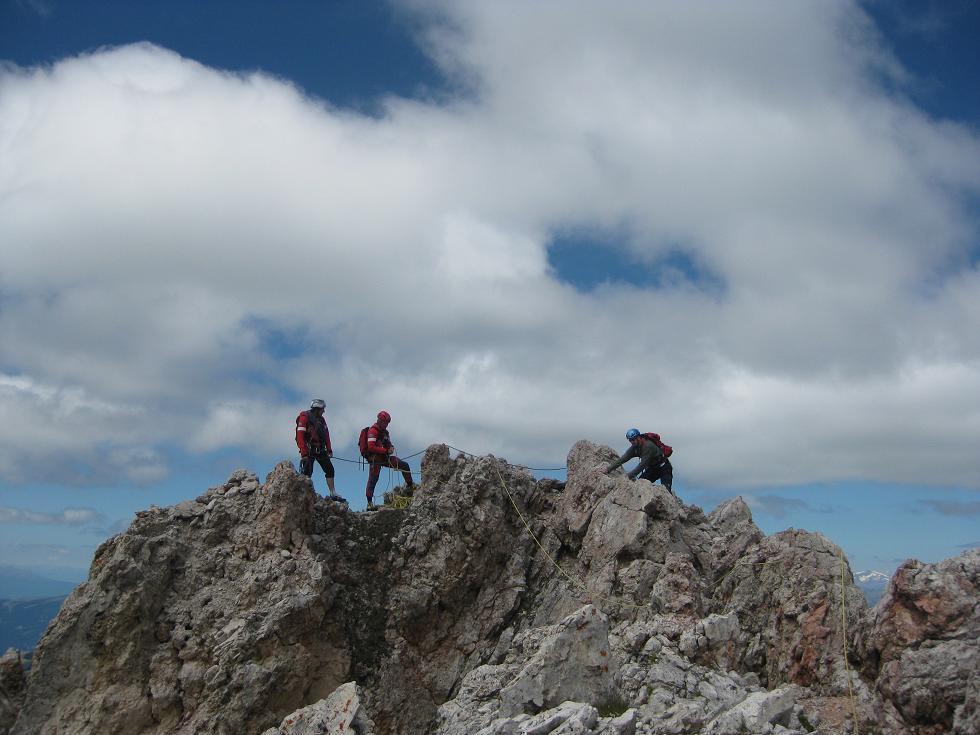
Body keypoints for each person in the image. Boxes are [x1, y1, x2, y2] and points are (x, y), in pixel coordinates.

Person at [296, 399, 347, 503]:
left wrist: (329, 449)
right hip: (309, 450)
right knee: (307, 473)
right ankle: (303, 494)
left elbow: (326, 435)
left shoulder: (322, 420)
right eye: (323, 409)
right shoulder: (304, 417)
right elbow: (300, 436)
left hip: (320, 449)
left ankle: (333, 493)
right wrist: (303, 452)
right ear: (317, 409)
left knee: (330, 470)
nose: (324, 411)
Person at [364, 410, 415, 510]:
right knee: (373, 479)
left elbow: (388, 443)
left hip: (384, 457)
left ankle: (410, 486)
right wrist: (386, 450)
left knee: (403, 465)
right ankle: (369, 503)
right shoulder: (373, 431)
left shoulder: (384, 432)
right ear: (379, 420)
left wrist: (390, 448)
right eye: (385, 422)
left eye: (387, 423)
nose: (386, 424)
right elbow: (371, 447)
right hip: (375, 459)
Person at [605, 428, 674, 494]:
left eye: (633, 439)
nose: (632, 442)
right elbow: (622, 459)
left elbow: (641, 466)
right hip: (652, 469)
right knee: (639, 486)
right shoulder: (634, 448)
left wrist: (627, 477)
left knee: (666, 492)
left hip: (664, 468)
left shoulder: (648, 446)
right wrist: (608, 469)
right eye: (630, 440)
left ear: (639, 437)